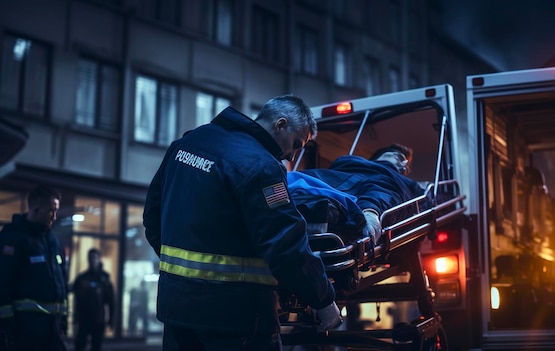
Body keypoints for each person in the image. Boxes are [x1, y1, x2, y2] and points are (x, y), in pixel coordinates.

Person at [143, 94, 341, 350]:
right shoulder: (262, 167)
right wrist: (324, 300)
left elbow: (152, 217)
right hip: (235, 319)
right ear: (280, 125)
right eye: (295, 144)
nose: (292, 156)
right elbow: (286, 245)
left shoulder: (187, 144)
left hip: (178, 311)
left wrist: (185, 277)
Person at [290, 144, 426, 243]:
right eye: (401, 157)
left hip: (291, 193)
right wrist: (371, 211)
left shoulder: (338, 167)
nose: (404, 164)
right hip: (324, 209)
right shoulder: (394, 180)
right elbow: (382, 191)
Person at [0, 185, 68, 351]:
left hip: (52, 331)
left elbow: (62, 283)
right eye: (51, 211)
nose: (55, 216)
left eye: (56, 211)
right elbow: (3, 283)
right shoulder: (13, 238)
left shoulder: (53, 242)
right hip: (24, 332)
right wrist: (7, 326)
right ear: (36, 210)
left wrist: (63, 319)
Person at [71, 248, 114, 351]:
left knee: (96, 346)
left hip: (98, 319)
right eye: (90, 258)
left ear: (99, 259)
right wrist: (75, 317)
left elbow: (111, 301)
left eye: (94, 258)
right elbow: (76, 297)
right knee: (79, 345)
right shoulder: (82, 278)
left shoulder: (104, 279)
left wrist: (111, 320)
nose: (92, 260)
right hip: (84, 318)